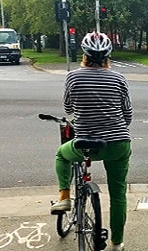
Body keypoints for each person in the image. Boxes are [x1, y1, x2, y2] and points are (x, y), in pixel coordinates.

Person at [50, 32, 132, 251]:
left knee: (61, 154)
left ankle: (65, 197)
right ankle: (116, 243)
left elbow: (68, 109)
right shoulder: (119, 79)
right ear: (108, 56)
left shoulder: (73, 77)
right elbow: (128, 115)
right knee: (118, 193)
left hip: (86, 143)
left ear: (84, 55)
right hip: (118, 143)